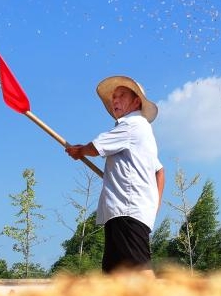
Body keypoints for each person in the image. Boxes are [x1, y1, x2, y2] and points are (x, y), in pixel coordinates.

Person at [65, 76, 165, 275]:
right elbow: (160, 172)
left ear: (136, 101)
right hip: (126, 211)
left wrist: (80, 151)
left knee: (139, 269)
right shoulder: (143, 131)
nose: (115, 101)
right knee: (114, 275)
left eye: (121, 96)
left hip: (127, 211)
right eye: (114, 97)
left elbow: (95, 147)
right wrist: (154, 205)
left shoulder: (132, 125)